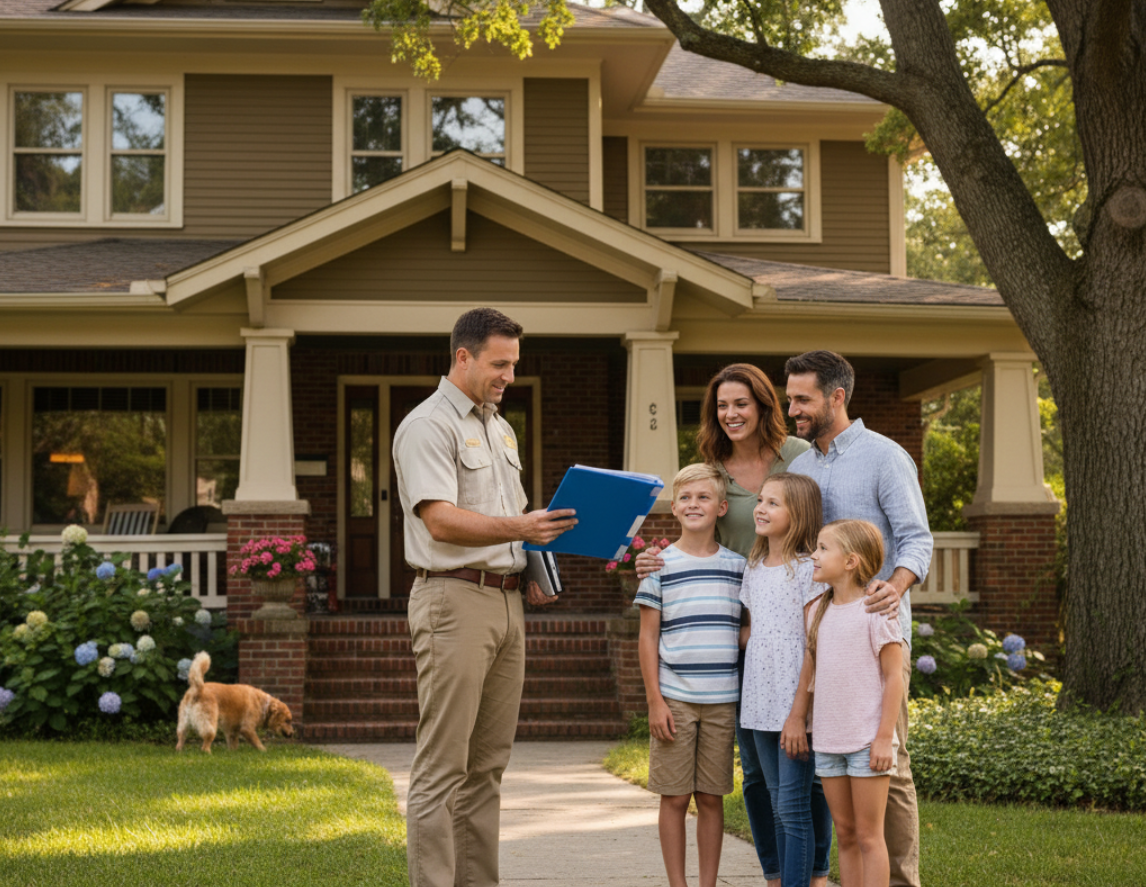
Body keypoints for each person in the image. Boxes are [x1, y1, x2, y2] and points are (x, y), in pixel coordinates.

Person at [392, 307, 577, 887]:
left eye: (515, 365)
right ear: (463, 356)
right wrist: (522, 532)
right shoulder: (427, 425)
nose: (509, 376)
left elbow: (512, 515)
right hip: (452, 601)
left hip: (505, 602)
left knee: (488, 767)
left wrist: (531, 568)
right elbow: (441, 521)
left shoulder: (498, 426)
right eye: (500, 364)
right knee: (444, 767)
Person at [636, 363, 833, 887]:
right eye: (722, 406)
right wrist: (649, 562)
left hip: (794, 635)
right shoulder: (712, 471)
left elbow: (820, 521)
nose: (731, 414)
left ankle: (811, 873)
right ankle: (774, 873)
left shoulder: (799, 457)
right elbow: (691, 540)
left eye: (741, 403)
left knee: (801, 777)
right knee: (754, 780)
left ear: (764, 405)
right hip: (739, 642)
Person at [784, 350, 931, 887]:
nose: (793, 408)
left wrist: (893, 588)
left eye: (803, 398)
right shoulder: (798, 469)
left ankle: (899, 882)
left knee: (887, 768)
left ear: (836, 397)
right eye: (791, 397)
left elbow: (916, 538)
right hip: (827, 638)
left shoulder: (884, 457)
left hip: (877, 637)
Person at [634, 463, 746, 887]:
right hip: (675, 698)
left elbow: (743, 629)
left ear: (721, 507)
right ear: (674, 510)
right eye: (685, 498)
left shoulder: (738, 567)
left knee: (712, 798)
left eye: (703, 497)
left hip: (721, 698)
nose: (693, 504)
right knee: (676, 795)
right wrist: (655, 701)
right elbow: (648, 638)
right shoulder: (658, 566)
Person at [798, 520, 904, 887]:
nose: (813, 554)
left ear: (851, 562)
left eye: (823, 548)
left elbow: (895, 677)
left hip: (865, 742)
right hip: (828, 741)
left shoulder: (876, 611)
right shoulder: (816, 611)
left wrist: (883, 737)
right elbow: (811, 677)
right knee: (844, 833)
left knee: (869, 835)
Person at [739, 472, 828, 887]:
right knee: (777, 804)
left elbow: (813, 646)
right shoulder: (754, 566)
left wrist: (799, 716)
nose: (761, 508)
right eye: (761, 499)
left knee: (793, 806)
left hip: (796, 703)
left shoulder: (810, 570)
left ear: (800, 514)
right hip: (758, 700)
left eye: (774, 503)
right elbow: (754, 633)